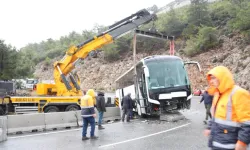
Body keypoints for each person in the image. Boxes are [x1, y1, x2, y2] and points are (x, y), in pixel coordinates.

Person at [203, 66, 250, 150]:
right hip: (217, 143)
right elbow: (216, 117)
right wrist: (209, 127)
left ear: (222, 78)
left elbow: (247, 122)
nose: (211, 81)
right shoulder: (218, 94)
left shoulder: (238, 93)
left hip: (230, 144)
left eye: (214, 78)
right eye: (210, 78)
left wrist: (242, 142)